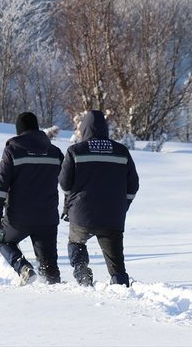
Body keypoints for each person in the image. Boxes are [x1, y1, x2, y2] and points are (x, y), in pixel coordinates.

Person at [59, 110, 139, 287]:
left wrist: (71, 202)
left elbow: (64, 183)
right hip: (112, 218)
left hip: (81, 215)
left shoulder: (75, 151)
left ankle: (81, 271)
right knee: (117, 264)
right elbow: (133, 185)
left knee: (75, 242)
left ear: (84, 129)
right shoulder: (121, 151)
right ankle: (121, 285)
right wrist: (122, 205)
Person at [0, 112, 64, 285]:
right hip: (47, 217)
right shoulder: (54, 152)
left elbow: (1, 185)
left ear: (19, 130)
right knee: (49, 266)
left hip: (18, 218)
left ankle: (23, 268)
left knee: (2, 241)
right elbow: (68, 181)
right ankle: (57, 293)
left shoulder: (12, 151)